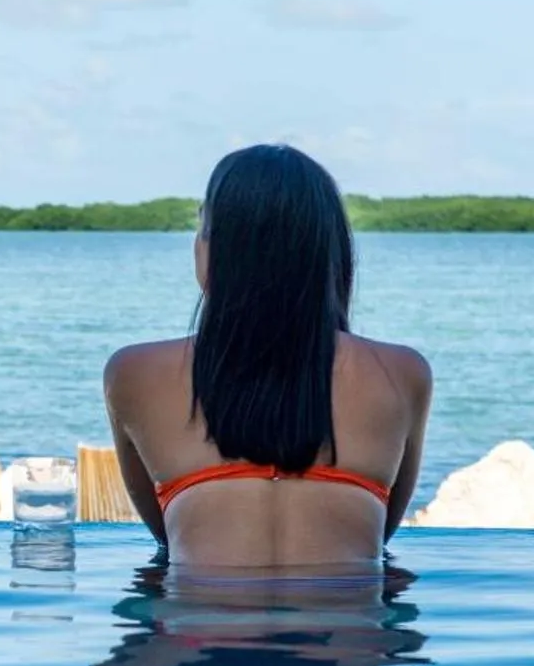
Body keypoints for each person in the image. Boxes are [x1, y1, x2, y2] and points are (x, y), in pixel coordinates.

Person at [102, 144, 430, 571]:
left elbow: (169, 541)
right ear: (330, 254)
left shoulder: (134, 374)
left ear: (216, 248)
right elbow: (378, 538)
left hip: (197, 614)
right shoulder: (402, 374)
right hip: (347, 615)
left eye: (202, 227)